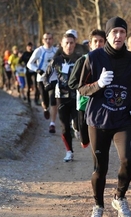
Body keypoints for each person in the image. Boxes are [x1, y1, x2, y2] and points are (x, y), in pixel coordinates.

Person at [75, 17, 131, 217]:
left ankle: (119, 197)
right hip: (98, 121)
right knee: (100, 169)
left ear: (126, 35)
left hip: (123, 119)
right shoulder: (93, 58)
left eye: (122, 32)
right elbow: (81, 88)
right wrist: (98, 84)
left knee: (128, 160)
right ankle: (98, 207)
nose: (118, 36)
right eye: (114, 32)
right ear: (107, 35)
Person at [44, 31, 82, 162]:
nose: (69, 46)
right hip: (62, 98)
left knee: (79, 123)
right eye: (67, 43)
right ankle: (69, 151)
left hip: (78, 97)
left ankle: (76, 126)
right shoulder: (56, 60)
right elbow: (46, 78)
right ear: (62, 44)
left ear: (75, 44)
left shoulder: (80, 59)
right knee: (64, 126)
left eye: (72, 43)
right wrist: (49, 84)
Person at [68, 29, 106, 149]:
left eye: (101, 41)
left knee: (99, 141)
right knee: (85, 141)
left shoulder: (109, 61)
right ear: (90, 44)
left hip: (102, 105)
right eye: (95, 41)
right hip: (84, 104)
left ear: (105, 43)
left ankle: (99, 163)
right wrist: (89, 88)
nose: (98, 44)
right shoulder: (83, 60)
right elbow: (72, 83)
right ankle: (76, 126)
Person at [27, 32, 58, 133]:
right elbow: (29, 64)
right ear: (43, 40)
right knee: (45, 101)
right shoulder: (38, 51)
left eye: (50, 39)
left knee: (53, 100)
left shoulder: (56, 51)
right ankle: (45, 109)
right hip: (42, 79)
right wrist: (37, 70)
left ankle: (52, 124)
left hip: (53, 79)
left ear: (52, 40)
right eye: (46, 39)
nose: (48, 41)